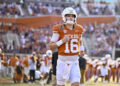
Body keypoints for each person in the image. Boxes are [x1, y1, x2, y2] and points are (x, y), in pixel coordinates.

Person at [49, 7, 84, 86]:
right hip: (62, 62)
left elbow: (80, 41)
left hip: (74, 62)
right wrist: (62, 41)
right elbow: (51, 46)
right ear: (64, 17)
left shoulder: (79, 28)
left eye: (72, 16)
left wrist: (81, 50)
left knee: (76, 84)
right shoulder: (59, 28)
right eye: (68, 15)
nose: (71, 17)